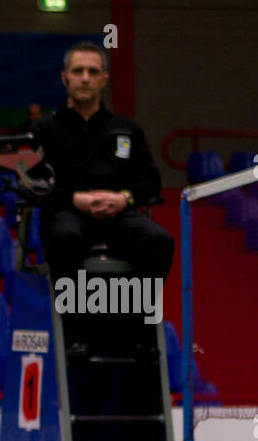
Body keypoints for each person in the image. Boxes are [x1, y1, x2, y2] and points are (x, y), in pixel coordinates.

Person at [28, 42, 174, 284]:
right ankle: (75, 319)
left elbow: (152, 181)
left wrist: (124, 199)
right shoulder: (43, 130)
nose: (85, 78)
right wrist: (75, 199)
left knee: (158, 240)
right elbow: (33, 183)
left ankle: (137, 316)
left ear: (104, 79)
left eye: (93, 72)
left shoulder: (127, 129)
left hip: (118, 217)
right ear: (65, 78)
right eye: (78, 71)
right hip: (67, 216)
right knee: (65, 238)